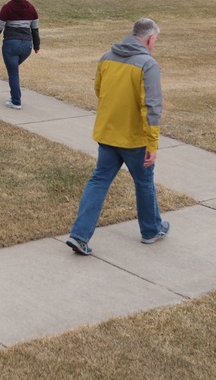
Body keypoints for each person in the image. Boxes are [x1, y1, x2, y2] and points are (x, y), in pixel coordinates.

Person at [66, 18, 168, 255]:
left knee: (99, 180)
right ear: (150, 39)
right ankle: (150, 230)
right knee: (144, 182)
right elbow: (152, 106)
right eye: (155, 41)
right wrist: (152, 143)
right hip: (135, 139)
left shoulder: (106, 57)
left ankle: (79, 235)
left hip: (107, 133)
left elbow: (99, 91)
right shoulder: (148, 64)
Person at [0, 0, 40, 110]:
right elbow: (35, 29)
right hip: (27, 46)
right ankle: (14, 96)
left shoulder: (7, 7)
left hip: (11, 44)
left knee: (13, 72)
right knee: (13, 71)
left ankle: (16, 101)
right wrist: (37, 46)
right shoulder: (31, 8)